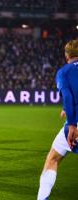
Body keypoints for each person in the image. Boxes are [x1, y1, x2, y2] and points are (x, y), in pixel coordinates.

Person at [37, 40, 78, 200]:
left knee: (53, 159)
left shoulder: (64, 71)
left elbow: (68, 96)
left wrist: (73, 123)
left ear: (67, 55)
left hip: (75, 123)